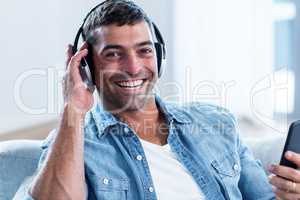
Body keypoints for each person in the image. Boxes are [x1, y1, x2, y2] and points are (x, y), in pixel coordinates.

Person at [13, 0, 299, 199]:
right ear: (86, 65)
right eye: (113, 54)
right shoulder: (73, 144)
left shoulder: (216, 121)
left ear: (159, 56)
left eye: (144, 51)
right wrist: (72, 109)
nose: (134, 67)